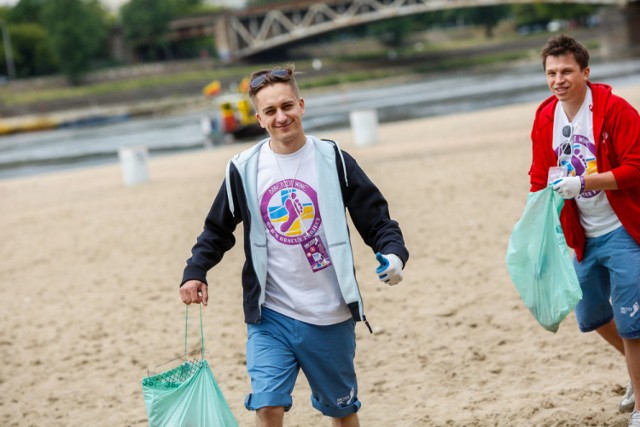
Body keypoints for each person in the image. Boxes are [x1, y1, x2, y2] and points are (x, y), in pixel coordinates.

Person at [179, 64, 409, 427]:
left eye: (287, 106)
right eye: (270, 111)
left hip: (330, 313)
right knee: (267, 406)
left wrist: (394, 256)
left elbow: (377, 221)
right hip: (271, 314)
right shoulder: (244, 168)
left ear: (301, 105)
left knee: (343, 411)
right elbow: (217, 228)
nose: (281, 117)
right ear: (259, 118)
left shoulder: (333, 160)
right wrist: (195, 271)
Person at [528, 34, 640, 426]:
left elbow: (636, 168)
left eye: (566, 71)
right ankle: (635, 371)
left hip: (624, 228)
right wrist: (537, 220)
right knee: (591, 316)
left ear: (585, 72)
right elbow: (539, 175)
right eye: (551, 72)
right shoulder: (545, 117)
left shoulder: (616, 110)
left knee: (632, 322)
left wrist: (586, 183)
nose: (558, 79)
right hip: (578, 235)